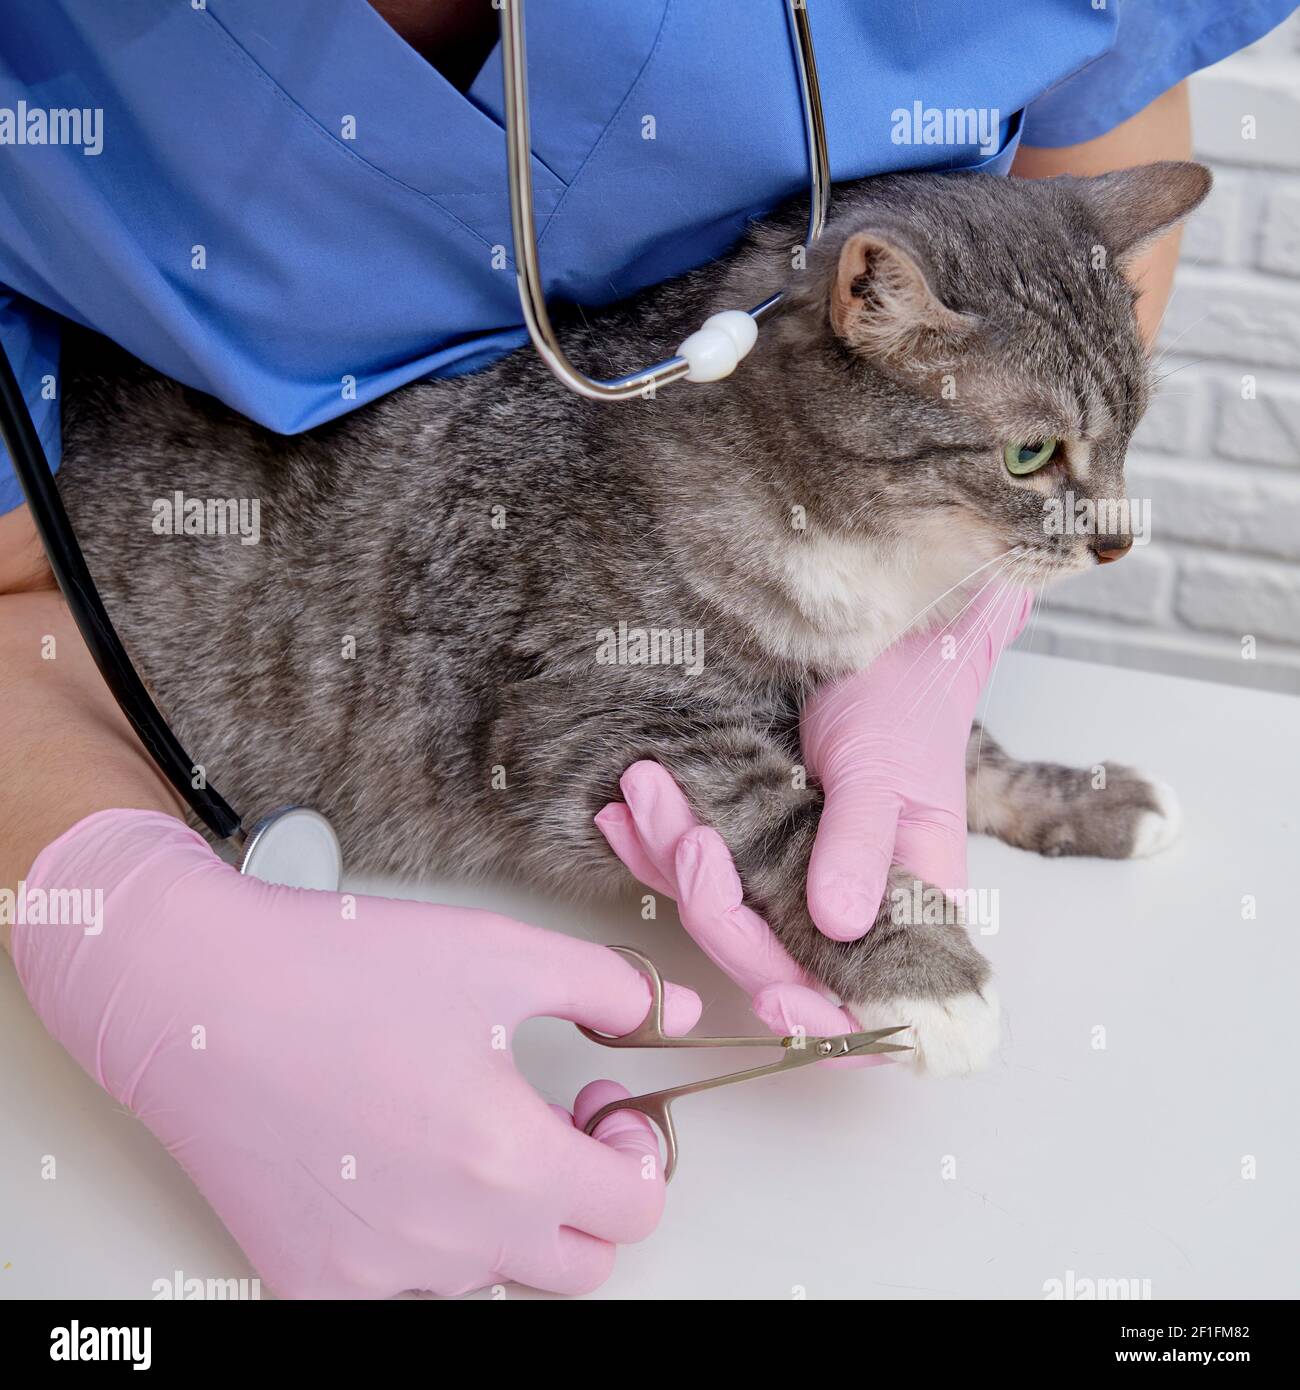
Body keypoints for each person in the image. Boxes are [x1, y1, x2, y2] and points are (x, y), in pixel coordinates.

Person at [1, 0, 1292, 1299]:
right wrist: (127, 933)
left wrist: (946, 650)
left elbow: (1097, 97)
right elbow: (21, 567)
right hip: (152, 644)